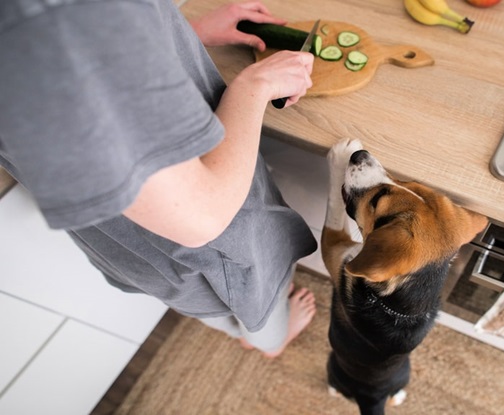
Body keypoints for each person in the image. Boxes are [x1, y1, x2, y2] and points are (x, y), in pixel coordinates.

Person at [0, 0, 318, 358]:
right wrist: (256, 85)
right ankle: (270, 342)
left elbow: (77, 95)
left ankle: (247, 330)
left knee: (201, 299)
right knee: (258, 299)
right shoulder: (41, 19)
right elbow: (202, 218)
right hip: (208, 244)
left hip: (130, 244)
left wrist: (176, 34)